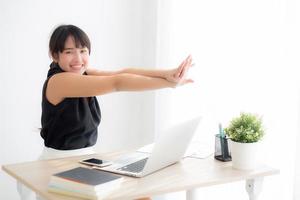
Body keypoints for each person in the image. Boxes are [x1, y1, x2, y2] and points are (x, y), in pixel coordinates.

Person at [17, 24, 193, 200]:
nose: (78, 58)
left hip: (86, 161)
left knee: (141, 195)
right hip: (56, 166)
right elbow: (117, 82)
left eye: (83, 50)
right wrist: (170, 84)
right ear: (55, 55)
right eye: (69, 52)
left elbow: (123, 72)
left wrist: (168, 74)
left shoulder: (84, 74)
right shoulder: (59, 81)